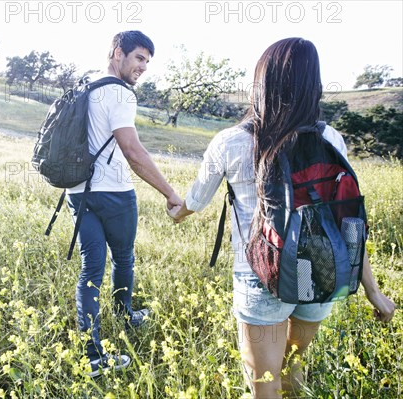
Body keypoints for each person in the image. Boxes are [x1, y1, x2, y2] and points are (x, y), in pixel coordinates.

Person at [167, 37, 396, 398]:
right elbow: (346, 220)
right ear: (313, 85)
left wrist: (176, 210)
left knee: (263, 382)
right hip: (322, 270)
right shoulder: (331, 139)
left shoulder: (230, 142)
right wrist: (373, 290)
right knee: (293, 365)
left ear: (261, 83)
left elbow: (194, 201)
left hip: (262, 274)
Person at [65, 30, 183, 377]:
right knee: (124, 257)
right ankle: (125, 314)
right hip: (114, 193)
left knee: (90, 269)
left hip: (77, 190)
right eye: (139, 58)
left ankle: (93, 358)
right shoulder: (119, 93)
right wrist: (170, 193)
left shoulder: (86, 85)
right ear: (118, 53)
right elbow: (132, 151)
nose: (143, 66)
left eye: (147, 60)